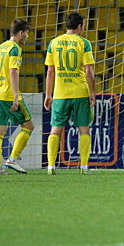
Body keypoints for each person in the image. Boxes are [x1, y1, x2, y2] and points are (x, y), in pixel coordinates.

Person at [44, 12, 96, 175]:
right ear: (80, 26)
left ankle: (51, 166)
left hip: (60, 93)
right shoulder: (84, 43)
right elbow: (89, 70)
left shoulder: (54, 43)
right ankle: (84, 166)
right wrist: (92, 92)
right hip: (80, 92)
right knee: (84, 129)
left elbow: (50, 71)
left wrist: (48, 94)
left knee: (55, 130)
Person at [0, 19, 34, 175]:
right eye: (27, 33)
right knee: (29, 126)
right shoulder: (15, 49)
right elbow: (13, 71)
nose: (27, 37)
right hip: (8, 95)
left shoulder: (0, 48)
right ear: (21, 33)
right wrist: (16, 95)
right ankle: (12, 159)